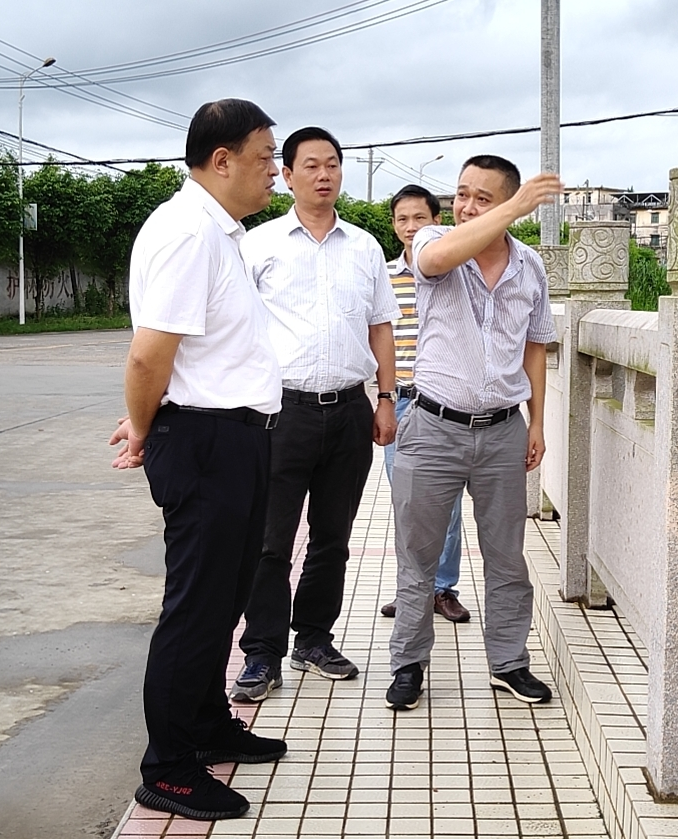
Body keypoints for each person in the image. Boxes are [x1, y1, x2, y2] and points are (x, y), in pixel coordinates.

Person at [108, 98, 288, 821]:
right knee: (195, 609)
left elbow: (195, 355)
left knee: (224, 600)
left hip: (234, 436)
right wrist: (145, 426)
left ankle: (209, 725)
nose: (274, 171)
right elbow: (149, 354)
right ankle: (170, 768)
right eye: (265, 157)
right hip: (207, 441)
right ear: (222, 160)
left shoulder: (220, 232)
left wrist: (152, 416)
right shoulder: (188, 232)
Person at [384, 155, 562, 711]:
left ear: (507, 203)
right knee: (418, 555)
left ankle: (509, 663)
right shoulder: (434, 241)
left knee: (507, 556)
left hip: (503, 430)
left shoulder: (529, 266)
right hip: (432, 427)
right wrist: (512, 208)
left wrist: (537, 422)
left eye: (482, 198)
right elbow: (435, 259)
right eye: (462, 194)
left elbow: (535, 346)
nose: (465, 206)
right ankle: (408, 663)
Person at [231, 126, 399, 703]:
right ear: (287, 175)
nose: (324, 174)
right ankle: (261, 653)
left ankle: (314, 640)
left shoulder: (365, 247)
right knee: (269, 540)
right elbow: (234, 328)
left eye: (332, 164)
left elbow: (381, 326)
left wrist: (385, 398)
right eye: (311, 165)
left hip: (349, 410)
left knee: (333, 538)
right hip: (279, 412)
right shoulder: (258, 245)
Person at [378, 184, 470, 625]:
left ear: (437, 220)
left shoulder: (458, 269)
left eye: (419, 218)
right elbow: (376, 336)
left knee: (447, 503)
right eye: (402, 219)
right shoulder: (384, 276)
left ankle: (442, 587)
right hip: (401, 402)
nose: (411, 227)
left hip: (445, 404)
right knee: (407, 503)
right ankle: (412, 589)